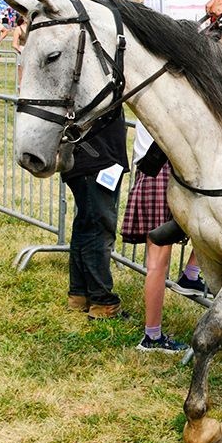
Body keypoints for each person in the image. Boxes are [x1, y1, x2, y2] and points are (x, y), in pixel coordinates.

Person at [118, 123, 192, 352]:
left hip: (151, 169)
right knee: (158, 263)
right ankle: (152, 336)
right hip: (163, 170)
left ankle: (191, 275)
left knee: (156, 263)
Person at [64, 109, 128, 319]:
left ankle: (79, 294)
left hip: (93, 158)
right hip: (94, 158)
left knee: (86, 225)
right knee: (99, 229)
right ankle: (102, 301)